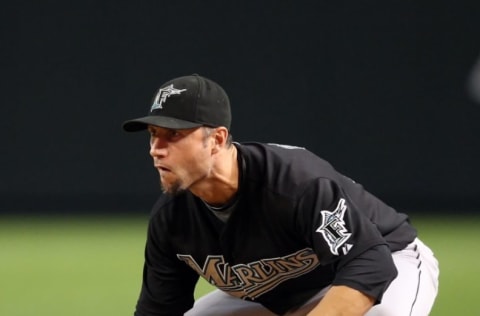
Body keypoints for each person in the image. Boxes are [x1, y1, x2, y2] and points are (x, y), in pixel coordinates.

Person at [122, 74, 439, 316]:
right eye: (153, 136)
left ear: (216, 139)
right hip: (281, 291)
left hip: (388, 259)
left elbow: (370, 262)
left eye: (173, 135)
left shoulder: (294, 183)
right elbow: (160, 309)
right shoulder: (171, 218)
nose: (156, 150)